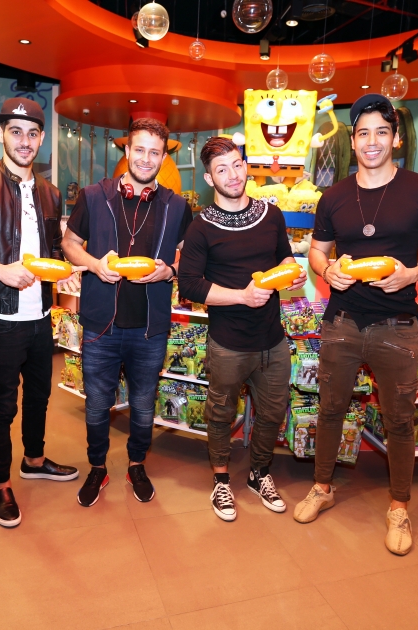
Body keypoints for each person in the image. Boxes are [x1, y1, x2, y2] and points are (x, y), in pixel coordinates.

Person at [295, 94, 418, 555]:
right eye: (363, 132)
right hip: (342, 320)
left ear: (395, 138)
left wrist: (412, 274)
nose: (371, 141)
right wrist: (327, 271)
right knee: (329, 409)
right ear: (353, 139)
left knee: (399, 419)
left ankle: (399, 506)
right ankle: (322, 488)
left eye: (381, 131)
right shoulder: (334, 196)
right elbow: (317, 251)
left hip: (397, 323)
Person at [0, 98, 83, 528]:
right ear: (1, 134)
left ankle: (35, 460)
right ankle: (0, 482)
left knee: (40, 395)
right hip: (1, 316)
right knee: (2, 404)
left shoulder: (49, 192)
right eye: (16, 132)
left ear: (41, 139)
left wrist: (65, 273)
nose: (24, 141)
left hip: (41, 314)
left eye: (32, 133)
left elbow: (50, 250)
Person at [62, 118, 192, 507]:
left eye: (155, 152)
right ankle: (97, 467)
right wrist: (93, 264)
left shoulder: (176, 206)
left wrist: (170, 270)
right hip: (101, 323)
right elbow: (70, 242)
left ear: (163, 157)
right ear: (126, 151)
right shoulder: (93, 196)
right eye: (140, 150)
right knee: (97, 403)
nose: (146, 159)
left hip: (150, 327)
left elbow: (189, 256)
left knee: (143, 403)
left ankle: (136, 464)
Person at [178, 136, 307, 522]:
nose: (233, 175)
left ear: (245, 166)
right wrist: (241, 296)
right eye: (222, 169)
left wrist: (292, 274)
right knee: (220, 413)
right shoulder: (200, 227)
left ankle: (259, 473)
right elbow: (190, 285)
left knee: (272, 412)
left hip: (273, 340)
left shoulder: (271, 215)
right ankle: (221, 479)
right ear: (209, 178)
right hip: (228, 342)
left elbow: (284, 257)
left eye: (237, 165)